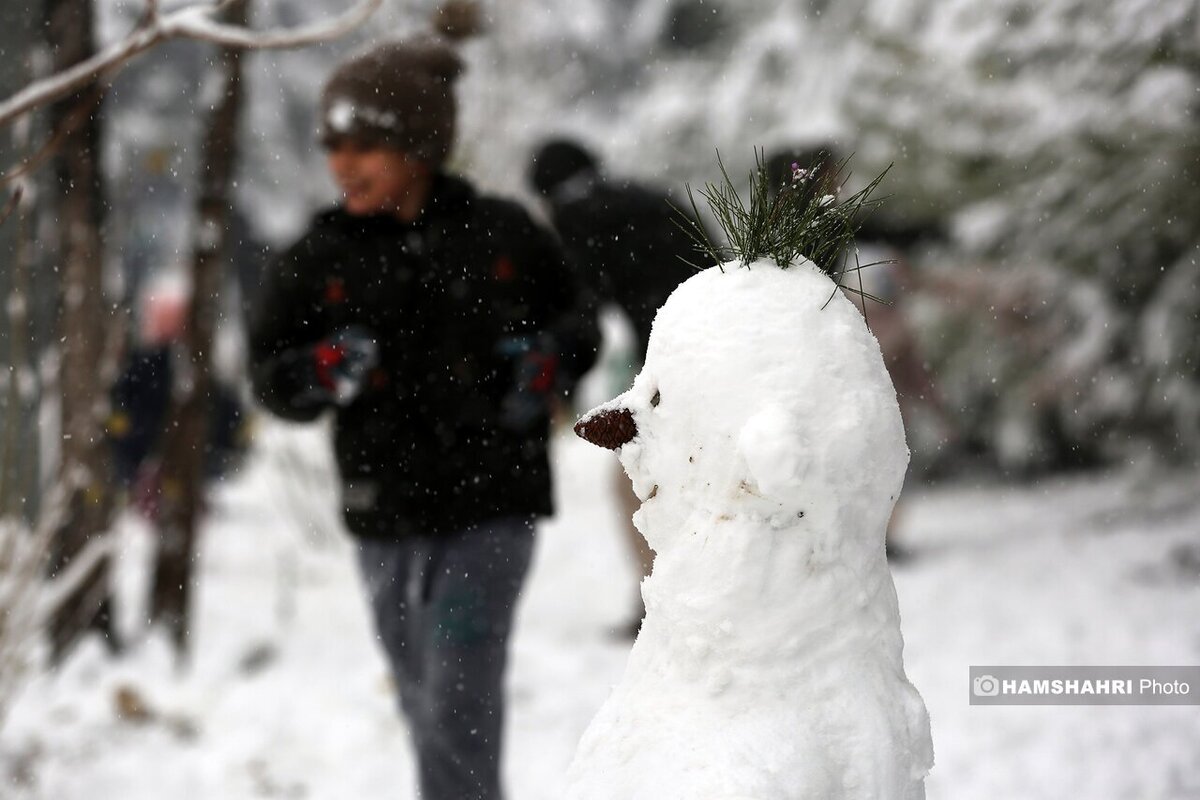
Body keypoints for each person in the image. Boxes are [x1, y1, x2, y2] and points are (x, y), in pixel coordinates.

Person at [247, 33, 597, 800]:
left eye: (364, 143)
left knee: (460, 683)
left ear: (420, 143)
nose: (342, 162)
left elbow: (579, 322)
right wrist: (315, 373)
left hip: (492, 495)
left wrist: (548, 361)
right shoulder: (321, 254)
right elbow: (267, 371)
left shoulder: (502, 232)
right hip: (384, 506)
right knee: (419, 690)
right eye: (332, 143)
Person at [527, 138, 705, 635]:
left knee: (637, 478)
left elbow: (581, 314)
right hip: (722, 344)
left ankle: (663, 604)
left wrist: (558, 387)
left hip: (669, 366)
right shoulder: (651, 197)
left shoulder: (577, 220)